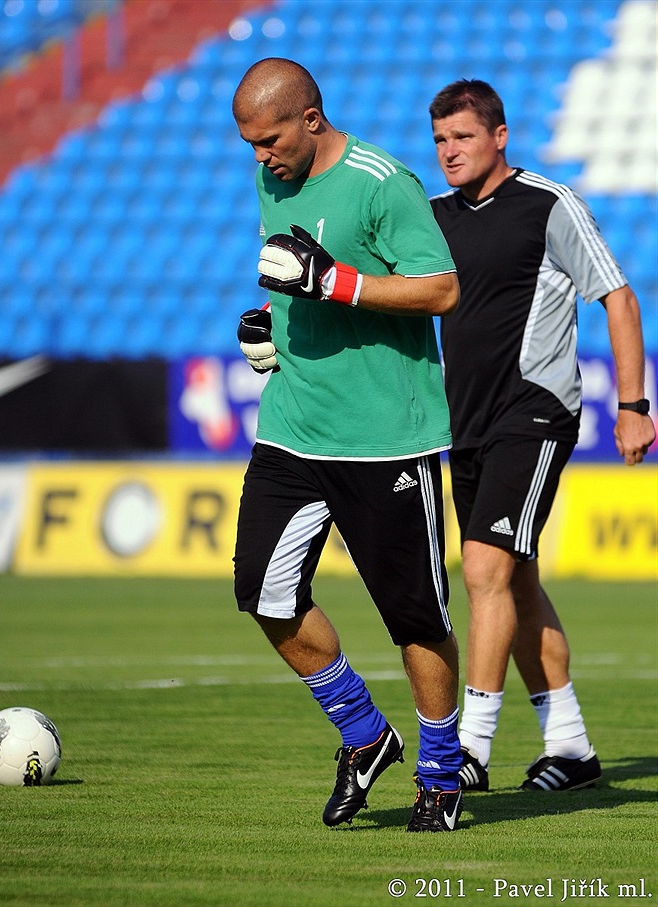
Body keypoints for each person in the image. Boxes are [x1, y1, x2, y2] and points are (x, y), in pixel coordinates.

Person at [232, 58, 464, 832]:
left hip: (385, 440)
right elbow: (293, 277)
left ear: (311, 118)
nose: (260, 158)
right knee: (262, 594)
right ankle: (366, 736)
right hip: (292, 428)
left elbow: (440, 288)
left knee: (416, 620)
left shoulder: (381, 181)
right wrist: (271, 334)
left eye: (269, 140)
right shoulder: (273, 178)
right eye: (249, 145)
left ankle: (439, 773)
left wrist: (336, 286)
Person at [427, 79, 655, 792]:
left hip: (533, 413)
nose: (449, 152)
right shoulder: (432, 218)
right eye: (439, 140)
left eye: (462, 137)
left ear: (500, 136)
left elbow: (617, 294)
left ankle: (469, 747)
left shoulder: (549, 204)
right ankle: (573, 747)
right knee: (514, 580)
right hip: (463, 425)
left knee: (483, 571)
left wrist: (633, 402)